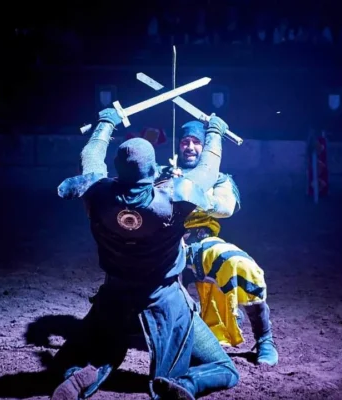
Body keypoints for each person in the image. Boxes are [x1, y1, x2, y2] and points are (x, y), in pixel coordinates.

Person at [52, 108, 239, 400]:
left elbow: (89, 157)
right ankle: (186, 386)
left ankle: (78, 375)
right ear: (153, 172)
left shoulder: (97, 195)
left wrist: (105, 122)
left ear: (116, 168)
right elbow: (208, 171)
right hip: (164, 305)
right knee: (225, 369)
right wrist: (215, 132)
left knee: (76, 354)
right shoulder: (173, 199)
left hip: (114, 300)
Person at [156, 120, 279, 366]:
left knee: (240, 265)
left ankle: (265, 339)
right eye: (185, 142)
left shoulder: (220, 179)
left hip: (200, 246)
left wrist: (191, 188)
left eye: (196, 143)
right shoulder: (162, 173)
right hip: (162, 247)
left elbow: (226, 207)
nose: (190, 147)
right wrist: (161, 183)